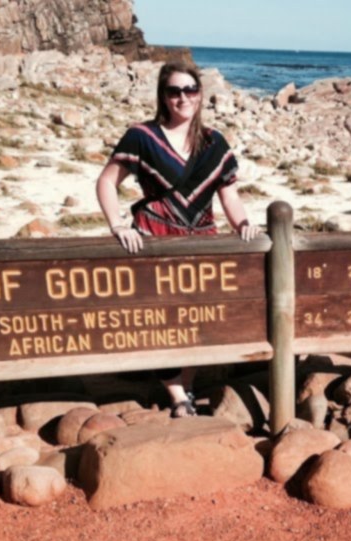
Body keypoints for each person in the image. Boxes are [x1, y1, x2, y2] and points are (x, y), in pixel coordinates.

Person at [97, 61, 260, 417]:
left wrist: (244, 223)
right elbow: (107, 181)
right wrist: (118, 224)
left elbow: (229, 195)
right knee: (162, 321)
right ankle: (176, 395)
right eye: (174, 91)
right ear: (163, 96)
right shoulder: (142, 137)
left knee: (199, 320)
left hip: (203, 242)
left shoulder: (214, 142)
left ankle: (185, 386)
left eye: (190, 90)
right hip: (155, 239)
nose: (182, 98)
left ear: (200, 96)